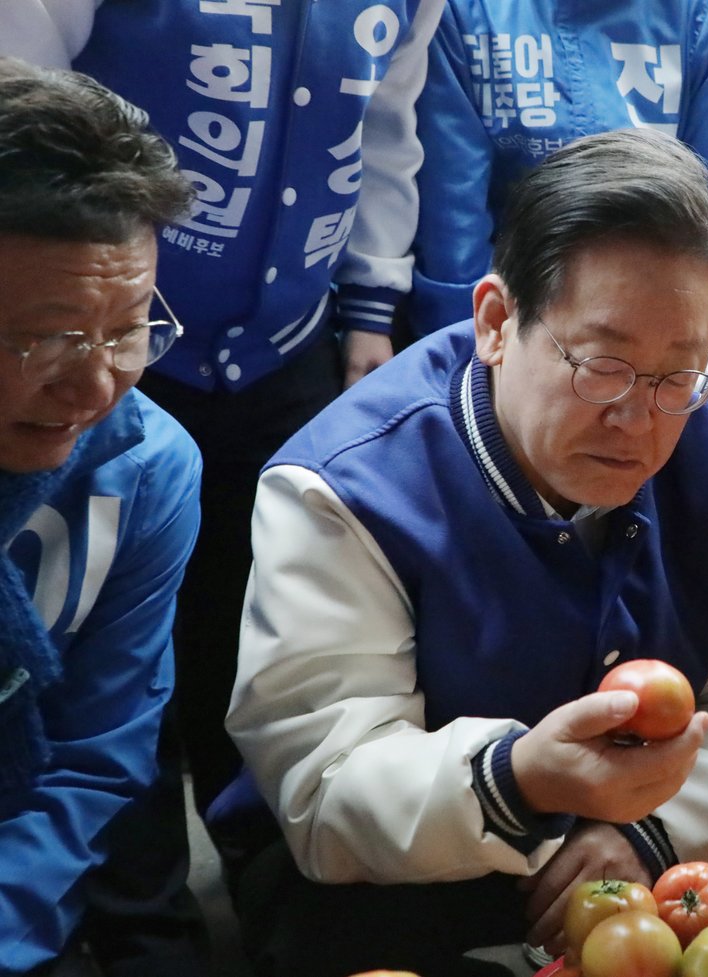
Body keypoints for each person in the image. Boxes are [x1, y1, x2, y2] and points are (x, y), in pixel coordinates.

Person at [225, 128, 708, 977]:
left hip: (658, 843)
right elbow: (325, 786)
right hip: (393, 874)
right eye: (600, 363)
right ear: (495, 322)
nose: (637, 418)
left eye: (674, 376)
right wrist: (517, 781)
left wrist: (647, 831)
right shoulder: (342, 489)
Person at [0, 0, 448, 876]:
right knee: (99, 646)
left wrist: (370, 305)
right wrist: (84, 330)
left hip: (283, 350)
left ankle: (256, 887)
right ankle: (135, 901)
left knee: (246, 642)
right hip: (110, 340)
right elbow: (21, 124)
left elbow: (389, 126)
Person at [0, 58, 202, 975]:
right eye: (44, 337)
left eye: (126, 331)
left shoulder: (147, 469)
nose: (93, 388)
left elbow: (94, 757)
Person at [407, 0, 708, 336]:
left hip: (666, 313)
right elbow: (453, 225)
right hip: (518, 319)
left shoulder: (705, 10)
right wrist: (472, 357)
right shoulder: (463, 11)